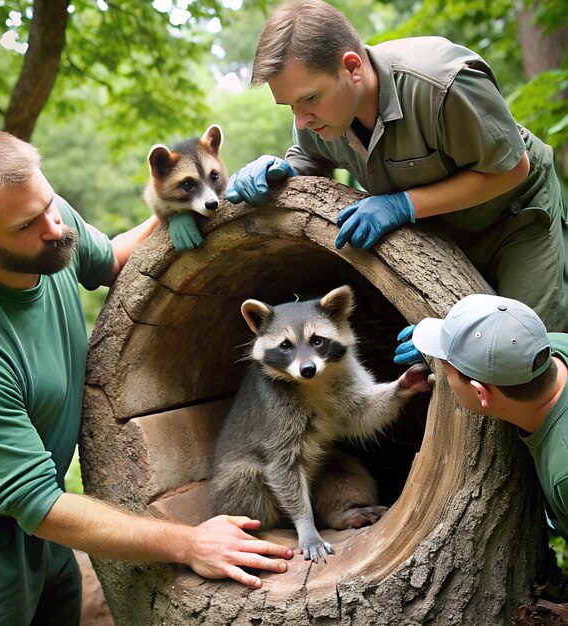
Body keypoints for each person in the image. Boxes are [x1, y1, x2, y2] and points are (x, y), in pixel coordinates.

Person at [0, 129, 293, 626]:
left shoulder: (47, 226)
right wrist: (189, 542)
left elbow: (109, 258)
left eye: (49, 203)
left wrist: (179, 214)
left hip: (47, 535)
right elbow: (38, 504)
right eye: (27, 223)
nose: (54, 227)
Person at [225, 0, 568, 333]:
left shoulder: (441, 84)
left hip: (514, 219)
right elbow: (309, 164)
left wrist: (402, 205)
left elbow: (512, 169)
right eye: (289, 106)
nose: (301, 119)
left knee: (529, 347)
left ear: (352, 67)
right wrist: (279, 174)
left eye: (310, 98)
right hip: (438, 235)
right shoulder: (316, 116)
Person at [394, 294, 568, 540]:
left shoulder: (564, 471)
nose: (441, 368)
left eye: (445, 367)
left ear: (480, 392)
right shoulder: (554, 347)